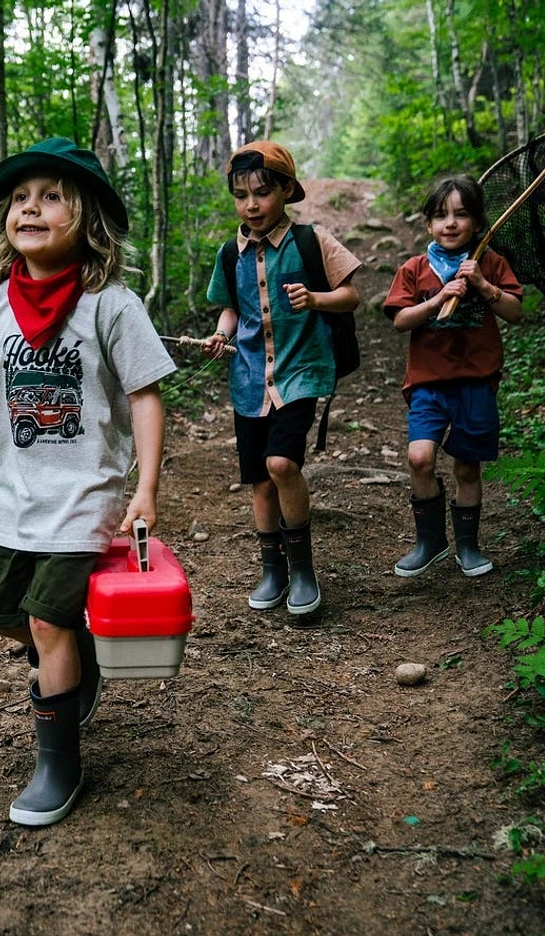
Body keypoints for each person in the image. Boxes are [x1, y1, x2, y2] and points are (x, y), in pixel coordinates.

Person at [0, 138, 176, 827]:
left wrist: (145, 488)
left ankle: (58, 762)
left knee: (46, 618)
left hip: (85, 495)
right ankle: (78, 655)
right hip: (17, 497)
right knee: (13, 621)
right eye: (21, 198)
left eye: (52, 196)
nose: (31, 207)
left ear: (85, 218)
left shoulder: (111, 305)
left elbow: (147, 394)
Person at [201, 142, 361, 615]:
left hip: (300, 372)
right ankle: (272, 569)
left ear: (287, 191)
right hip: (249, 378)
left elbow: (351, 295)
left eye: (262, 192)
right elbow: (231, 308)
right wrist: (219, 334)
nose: (251, 204)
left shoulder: (312, 241)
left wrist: (314, 299)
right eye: (241, 195)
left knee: (282, 465)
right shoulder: (230, 252)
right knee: (259, 480)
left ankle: (303, 569)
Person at [384, 175, 522, 578]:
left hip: (476, 381)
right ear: (428, 224)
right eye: (441, 215)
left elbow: (515, 313)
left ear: (477, 223)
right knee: (419, 457)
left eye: (461, 215)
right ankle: (430, 542)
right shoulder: (413, 269)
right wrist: (437, 300)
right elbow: (400, 320)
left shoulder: (491, 263)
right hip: (428, 382)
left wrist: (481, 284)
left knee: (466, 466)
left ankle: (468, 546)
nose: (450, 223)